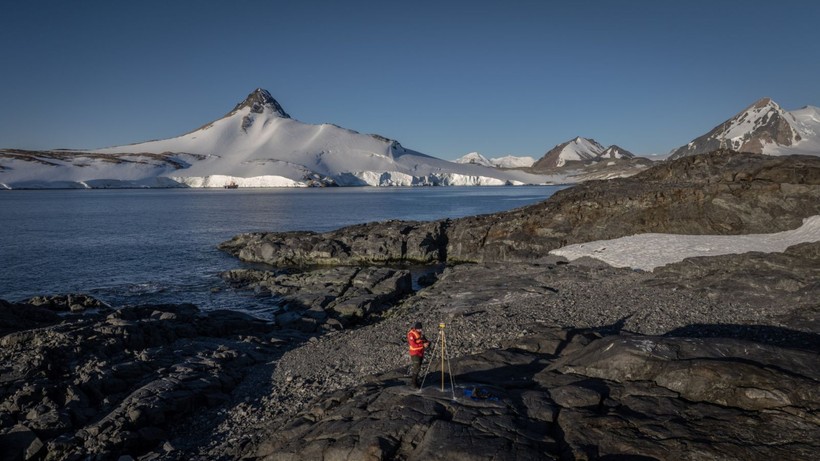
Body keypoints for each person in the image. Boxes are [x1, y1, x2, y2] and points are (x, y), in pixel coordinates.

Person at [407, 321, 430, 389]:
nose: (420, 330)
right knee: (416, 367)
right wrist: (423, 345)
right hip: (414, 353)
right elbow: (413, 345)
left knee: (418, 367)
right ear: (415, 328)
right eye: (419, 329)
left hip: (420, 352)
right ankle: (413, 383)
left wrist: (427, 343)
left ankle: (416, 381)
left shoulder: (420, 333)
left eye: (421, 329)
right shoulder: (411, 334)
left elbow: (424, 340)